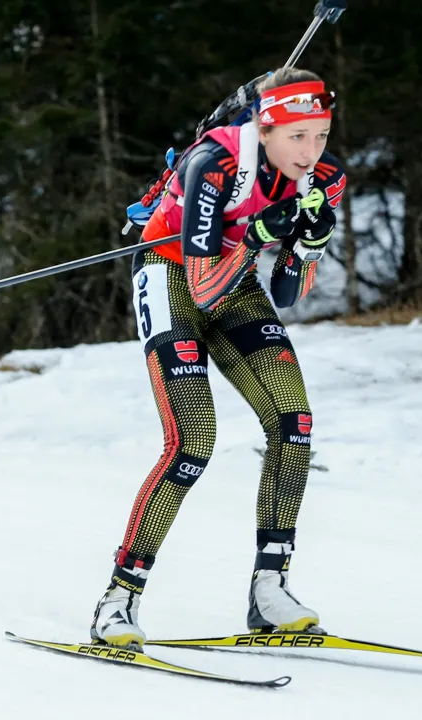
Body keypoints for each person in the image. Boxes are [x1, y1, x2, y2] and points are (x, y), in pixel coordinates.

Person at [90, 68, 348, 648]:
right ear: (266, 125)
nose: (311, 153)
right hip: (172, 272)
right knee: (191, 443)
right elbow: (203, 285)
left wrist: (307, 245)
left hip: (234, 284)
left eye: (322, 135)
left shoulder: (325, 179)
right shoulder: (216, 164)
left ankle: (269, 591)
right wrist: (258, 234)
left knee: (294, 423)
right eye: (297, 137)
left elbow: (286, 292)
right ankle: (118, 599)